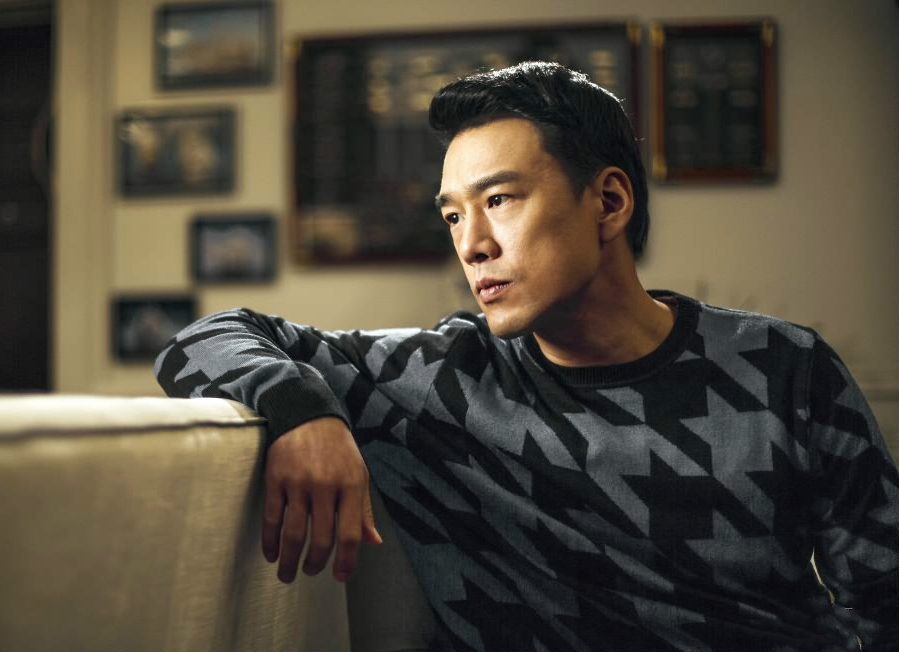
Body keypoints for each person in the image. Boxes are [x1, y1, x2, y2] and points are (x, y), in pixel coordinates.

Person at [155, 62, 898, 651]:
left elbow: (885, 601)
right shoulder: (438, 381)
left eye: (499, 200)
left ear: (609, 202)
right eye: (453, 215)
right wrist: (302, 413)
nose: (471, 244)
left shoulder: (784, 368)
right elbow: (202, 339)